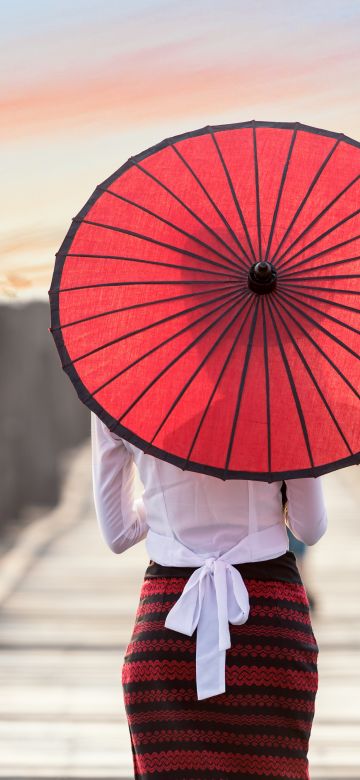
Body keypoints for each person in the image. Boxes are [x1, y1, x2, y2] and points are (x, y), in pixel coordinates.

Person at [91, 410, 327, 780]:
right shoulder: (280, 390)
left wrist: (160, 500)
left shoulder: (123, 390)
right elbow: (308, 527)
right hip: (268, 630)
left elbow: (118, 533)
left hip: (167, 636)